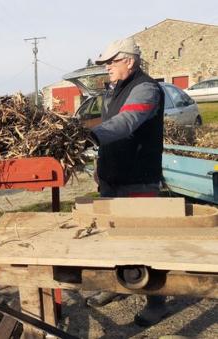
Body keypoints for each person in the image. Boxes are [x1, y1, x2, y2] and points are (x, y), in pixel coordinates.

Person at [86, 38, 168, 327]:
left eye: (112, 61)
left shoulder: (146, 88)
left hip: (138, 179)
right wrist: (99, 165)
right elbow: (111, 131)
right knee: (111, 238)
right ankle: (113, 287)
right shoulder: (114, 90)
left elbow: (127, 122)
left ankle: (156, 303)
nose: (107, 67)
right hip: (112, 176)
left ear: (129, 61)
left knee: (142, 242)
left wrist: (87, 135)